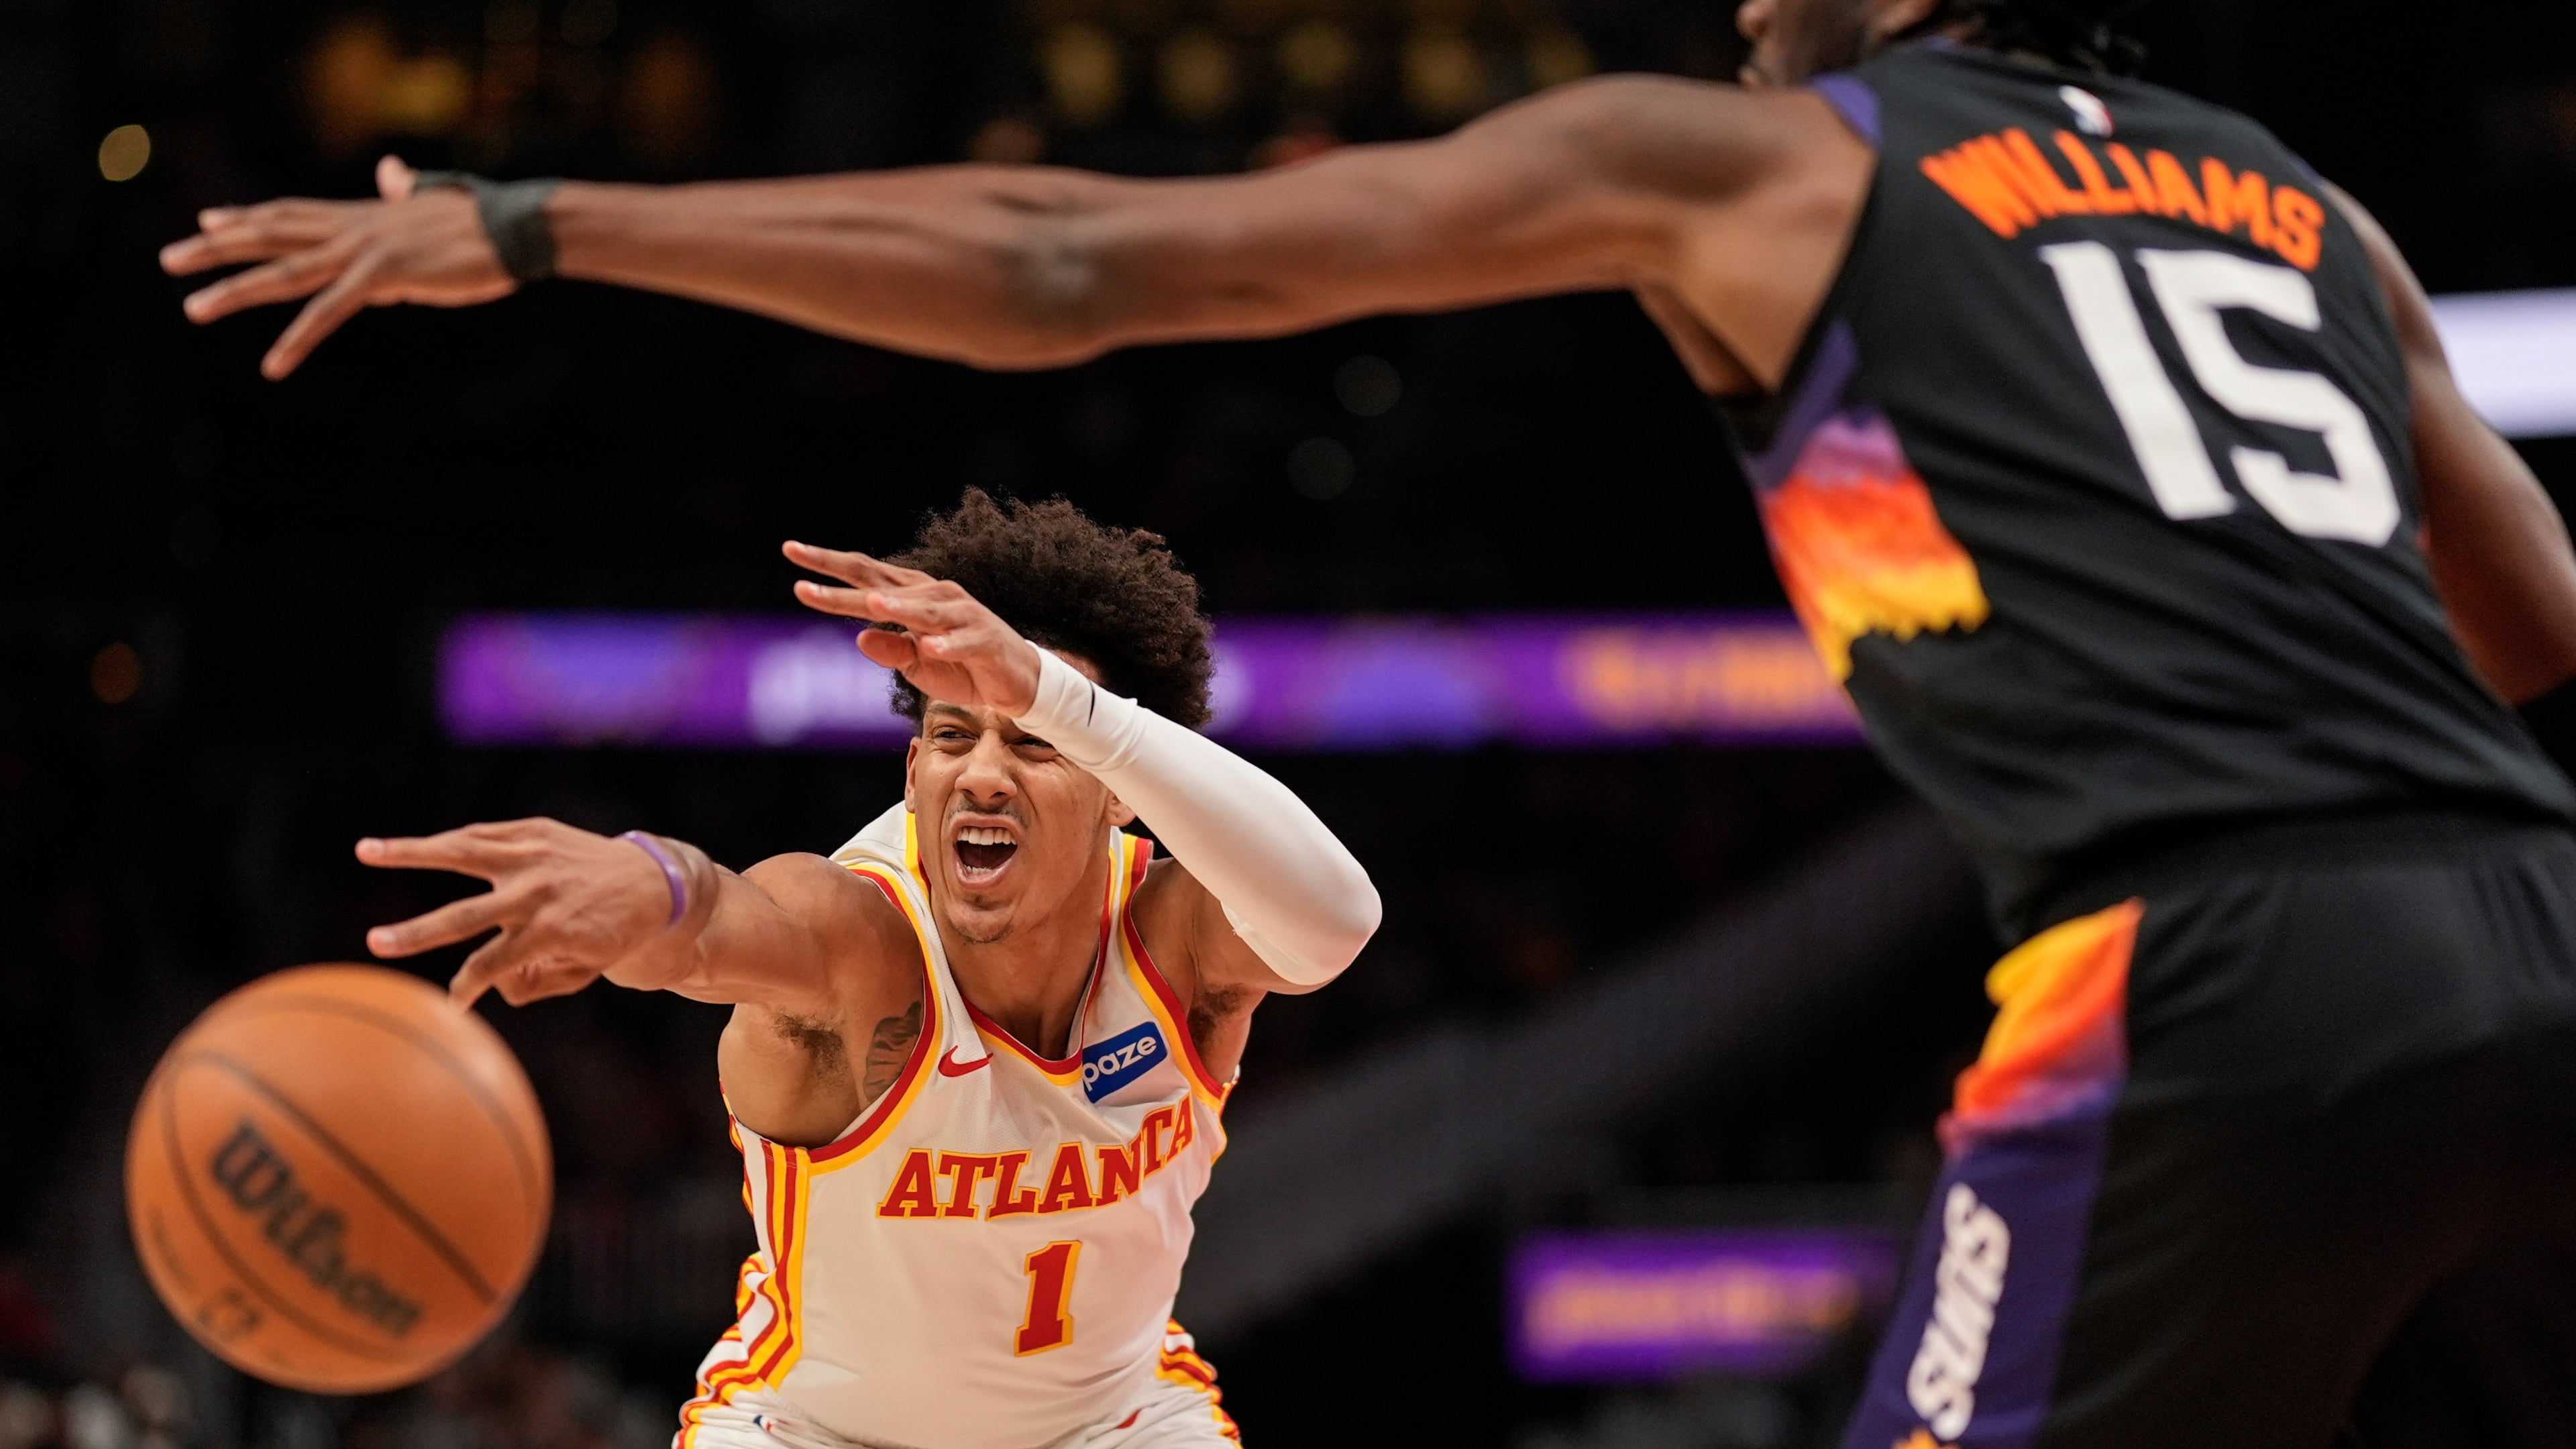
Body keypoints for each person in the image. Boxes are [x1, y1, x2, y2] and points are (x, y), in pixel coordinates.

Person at [174, 1, 2576, 1443]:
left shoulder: (1755, 158)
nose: (1744, 6)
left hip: (2209, 967)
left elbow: (1061, 260)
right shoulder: (2312, 217)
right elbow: (2533, 623)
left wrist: (547, 222)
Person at [357, 492, 1382, 1449]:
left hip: (1113, 1423)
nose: (980, 773)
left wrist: (1077, 705)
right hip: (812, 1430)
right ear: (912, 768)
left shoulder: (1173, 938)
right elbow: (720, 921)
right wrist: (653, 883)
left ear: (1118, 786)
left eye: (1033, 743)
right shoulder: (862, 936)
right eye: (950, 737)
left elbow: (1339, 921)